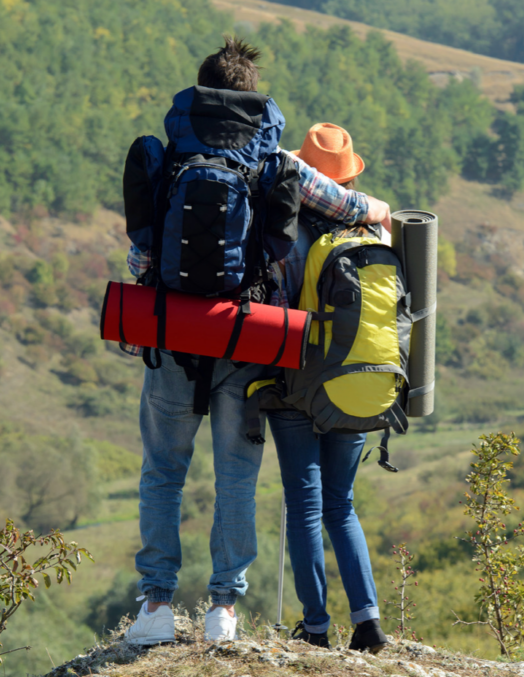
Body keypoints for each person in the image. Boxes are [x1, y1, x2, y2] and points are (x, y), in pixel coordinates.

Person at [123, 38, 391, 646]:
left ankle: (156, 605)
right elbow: (347, 203)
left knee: (162, 473)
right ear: (251, 98)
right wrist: (380, 208)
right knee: (235, 479)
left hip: (171, 335)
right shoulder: (273, 162)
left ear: (199, 96)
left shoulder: (169, 156)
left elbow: (141, 254)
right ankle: (223, 608)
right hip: (245, 338)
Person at [265, 123, 389, 653]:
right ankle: (369, 621)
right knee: (342, 505)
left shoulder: (285, 232)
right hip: (359, 383)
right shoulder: (375, 235)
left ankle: (315, 626)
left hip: (295, 384)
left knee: (305, 506)